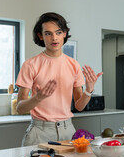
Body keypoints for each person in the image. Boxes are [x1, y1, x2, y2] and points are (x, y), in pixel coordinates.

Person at [16, 12, 103, 146]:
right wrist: (39, 97)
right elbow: (20, 108)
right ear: (41, 36)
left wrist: (89, 90)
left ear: (64, 34)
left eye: (58, 32)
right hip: (39, 132)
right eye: (48, 33)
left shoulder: (73, 64)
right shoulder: (30, 65)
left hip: (67, 131)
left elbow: (79, 106)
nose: (54, 38)